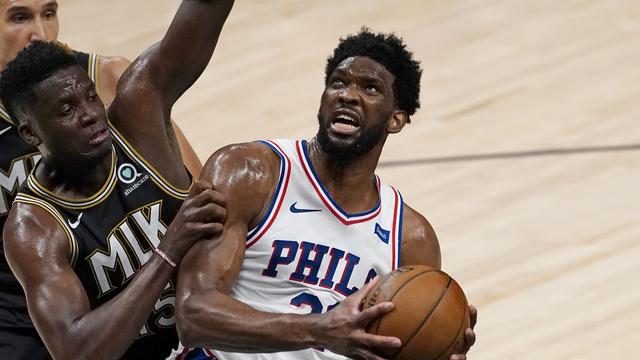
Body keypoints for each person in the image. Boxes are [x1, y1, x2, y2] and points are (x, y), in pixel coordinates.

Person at [174, 29, 477, 360]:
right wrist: (318, 329)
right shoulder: (251, 172)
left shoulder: (411, 238)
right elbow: (193, 314)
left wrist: (434, 348)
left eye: (370, 88)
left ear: (396, 119)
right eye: (338, 82)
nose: (347, 94)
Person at [0, 0, 234, 358]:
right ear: (30, 134)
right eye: (67, 109)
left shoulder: (136, 119)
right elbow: (77, 352)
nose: (91, 114)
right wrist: (168, 251)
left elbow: (201, 18)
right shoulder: (32, 227)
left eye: (91, 98)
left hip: (213, 337)